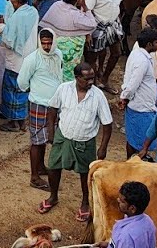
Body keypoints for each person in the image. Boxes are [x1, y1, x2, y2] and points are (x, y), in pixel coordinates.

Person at [39, 62, 112, 221]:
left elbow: (107, 124)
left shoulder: (98, 96)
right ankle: (53, 197)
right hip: (63, 137)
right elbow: (52, 110)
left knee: (86, 174)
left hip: (85, 141)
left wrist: (103, 148)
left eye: (92, 78)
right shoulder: (63, 89)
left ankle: (85, 202)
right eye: (87, 79)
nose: (91, 82)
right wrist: (51, 132)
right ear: (77, 78)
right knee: (53, 167)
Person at [18, 28, 63, 191]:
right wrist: (36, 92)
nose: (46, 46)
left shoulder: (58, 55)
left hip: (55, 105)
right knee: (37, 141)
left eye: (49, 43)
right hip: (39, 104)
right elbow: (22, 82)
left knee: (46, 138)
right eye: (43, 43)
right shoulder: (32, 59)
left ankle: (41, 167)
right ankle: (34, 177)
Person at [0, 0, 38, 131]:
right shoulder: (33, 12)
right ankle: (22, 120)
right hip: (29, 57)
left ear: (15, 1)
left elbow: (9, 41)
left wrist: (3, 28)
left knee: (11, 90)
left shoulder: (17, 18)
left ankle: (13, 122)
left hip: (16, 60)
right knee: (23, 89)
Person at [119, 28, 157, 157]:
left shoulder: (137, 54)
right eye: (156, 42)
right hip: (141, 107)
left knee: (133, 138)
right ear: (149, 44)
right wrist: (124, 97)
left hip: (138, 105)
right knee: (141, 141)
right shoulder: (142, 61)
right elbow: (133, 84)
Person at [85, 0, 125, 91]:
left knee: (116, 53)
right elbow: (88, 9)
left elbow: (118, 3)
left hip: (113, 23)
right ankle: (94, 83)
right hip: (98, 25)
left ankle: (104, 79)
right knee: (92, 57)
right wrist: (88, 33)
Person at [106, 181, 157, 248]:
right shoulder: (148, 220)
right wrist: (108, 245)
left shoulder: (126, 236)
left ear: (132, 208)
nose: (118, 200)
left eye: (122, 201)